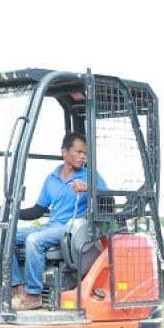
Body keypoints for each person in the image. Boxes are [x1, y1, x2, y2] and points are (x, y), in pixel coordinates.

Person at [12, 132, 107, 311]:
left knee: (34, 240)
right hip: (50, 226)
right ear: (64, 152)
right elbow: (37, 210)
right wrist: (13, 213)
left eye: (85, 153)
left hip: (70, 229)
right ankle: (18, 287)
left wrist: (89, 189)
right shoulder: (51, 179)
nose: (83, 157)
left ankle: (34, 295)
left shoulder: (91, 176)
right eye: (78, 152)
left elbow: (108, 202)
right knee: (5, 238)